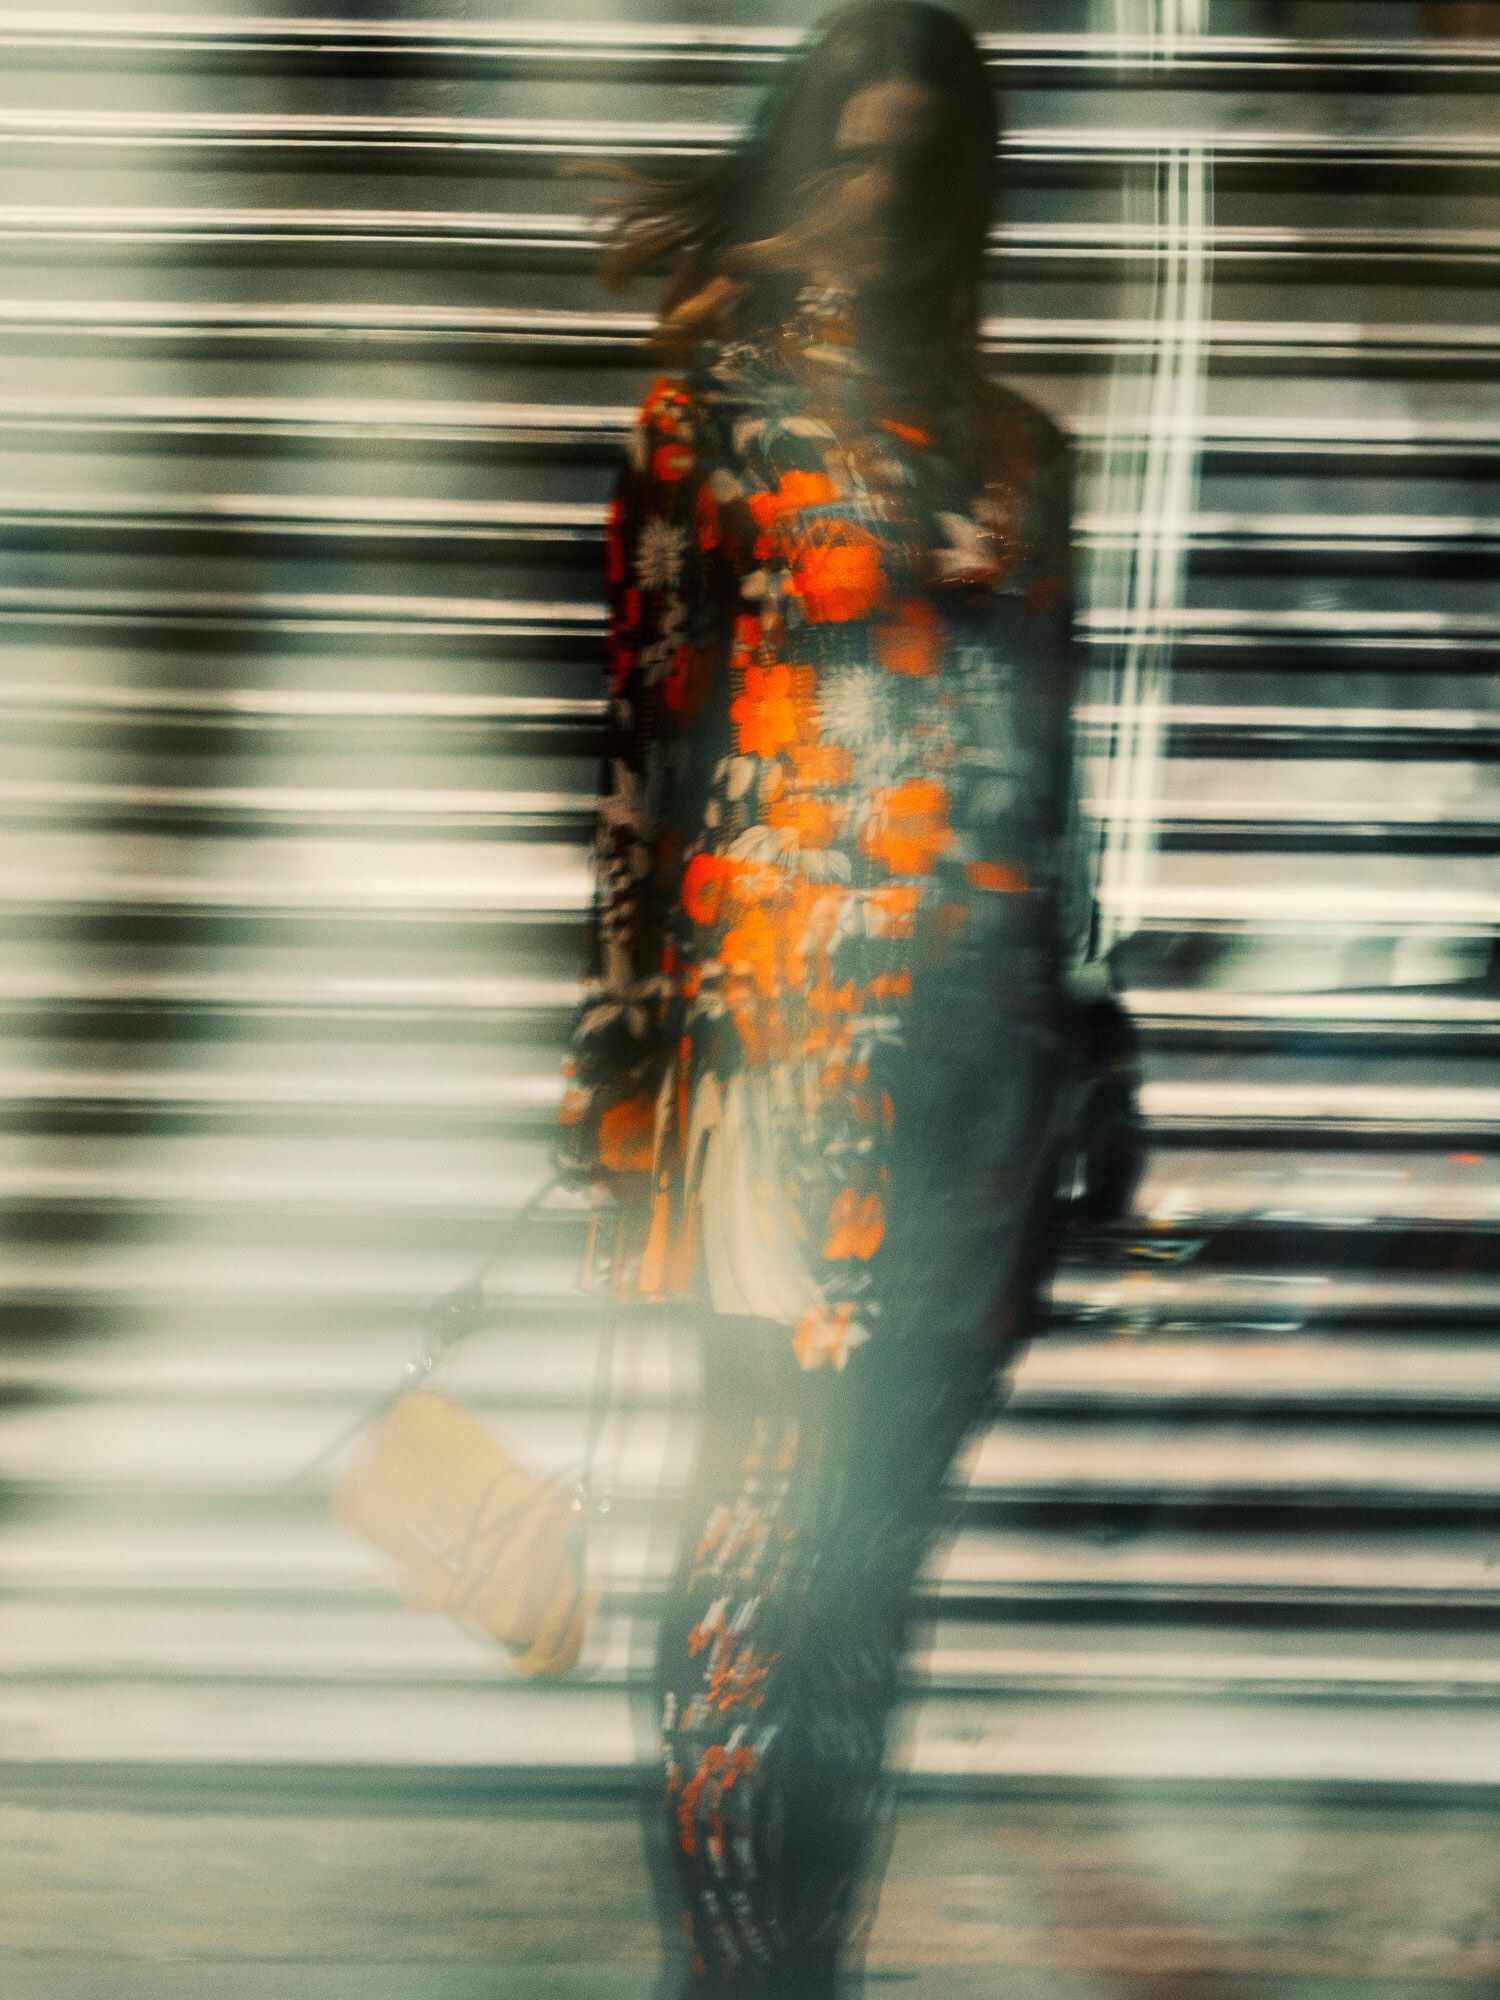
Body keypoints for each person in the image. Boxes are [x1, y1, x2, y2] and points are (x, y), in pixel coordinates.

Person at [556, 5, 1099, 1992]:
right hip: (774, 1068)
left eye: (918, 166)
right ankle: (727, 1965)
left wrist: (1078, 1075)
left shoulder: (1025, 457)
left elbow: (1055, 800)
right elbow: (642, 751)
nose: (879, 199)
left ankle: (815, 1959)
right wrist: (618, 1077)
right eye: (851, 154)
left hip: (971, 1090)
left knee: (868, 1571)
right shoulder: (711, 423)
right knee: (756, 1534)